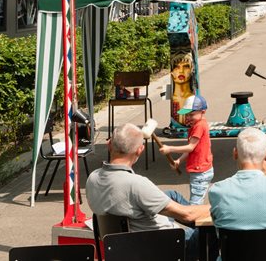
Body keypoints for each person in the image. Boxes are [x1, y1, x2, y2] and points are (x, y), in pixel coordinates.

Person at [86, 123, 209, 260]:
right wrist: (216, 207)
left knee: (172, 195)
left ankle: (198, 227)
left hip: (120, 247)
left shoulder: (92, 178)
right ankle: (202, 227)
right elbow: (187, 215)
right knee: (212, 230)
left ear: (109, 145)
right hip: (159, 247)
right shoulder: (136, 184)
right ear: (140, 150)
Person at [159, 94, 214, 205]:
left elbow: (190, 147)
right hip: (202, 171)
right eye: (187, 115)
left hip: (200, 173)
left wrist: (169, 148)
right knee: (195, 204)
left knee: (193, 207)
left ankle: (175, 198)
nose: (188, 117)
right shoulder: (198, 124)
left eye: (191, 114)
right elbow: (192, 150)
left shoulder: (199, 126)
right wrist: (179, 160)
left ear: (203, 112)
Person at [170, 51, 196, 126]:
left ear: (191, 70)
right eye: (176, 67)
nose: (181, 71)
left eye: (186, 66)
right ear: (172, 72)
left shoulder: (192, 98)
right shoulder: (173, 99)